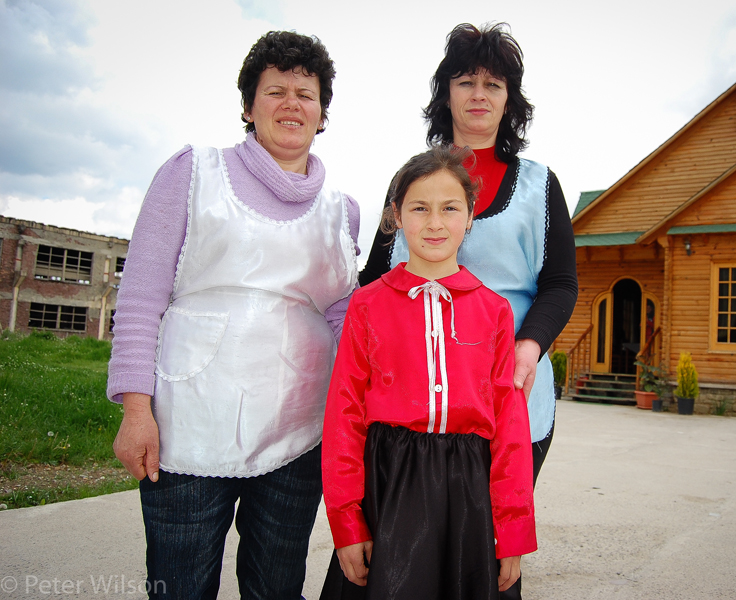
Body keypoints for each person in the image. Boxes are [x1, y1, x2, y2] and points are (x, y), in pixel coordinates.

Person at [107, 31, 359, 599]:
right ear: (249, 106)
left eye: (306, 93)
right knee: (180, 588)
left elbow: (346, 317)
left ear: (322, 115)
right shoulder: (192, 173)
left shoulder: (342, 210)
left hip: (299, 436)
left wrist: (355, 419)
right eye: (276, 91)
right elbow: (142, 297)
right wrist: (135, 409)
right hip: (187, 429)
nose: (292, 103)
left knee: (275, 588)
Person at [360, 22, 577, 487]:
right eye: (465, 82)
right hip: (413, 399)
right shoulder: (409, 181)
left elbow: (560, 283)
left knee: (488, 543)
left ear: (508, 100)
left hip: (507, 387)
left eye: (492, 85)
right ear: (447, 95)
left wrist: (530, 344)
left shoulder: (540, 185)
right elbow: (375, 277)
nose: (479, 94)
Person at [320, 146, 537, 600]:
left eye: (449, 208)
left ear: (470, 217)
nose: (435, 223)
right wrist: (346, 520)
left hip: (469, 492)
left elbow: (511, 426)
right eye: (420, 208)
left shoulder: (495, 311)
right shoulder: (367, 304)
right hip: (389, 484)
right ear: (397, 215)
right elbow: (344, 414)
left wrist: (513, 529)